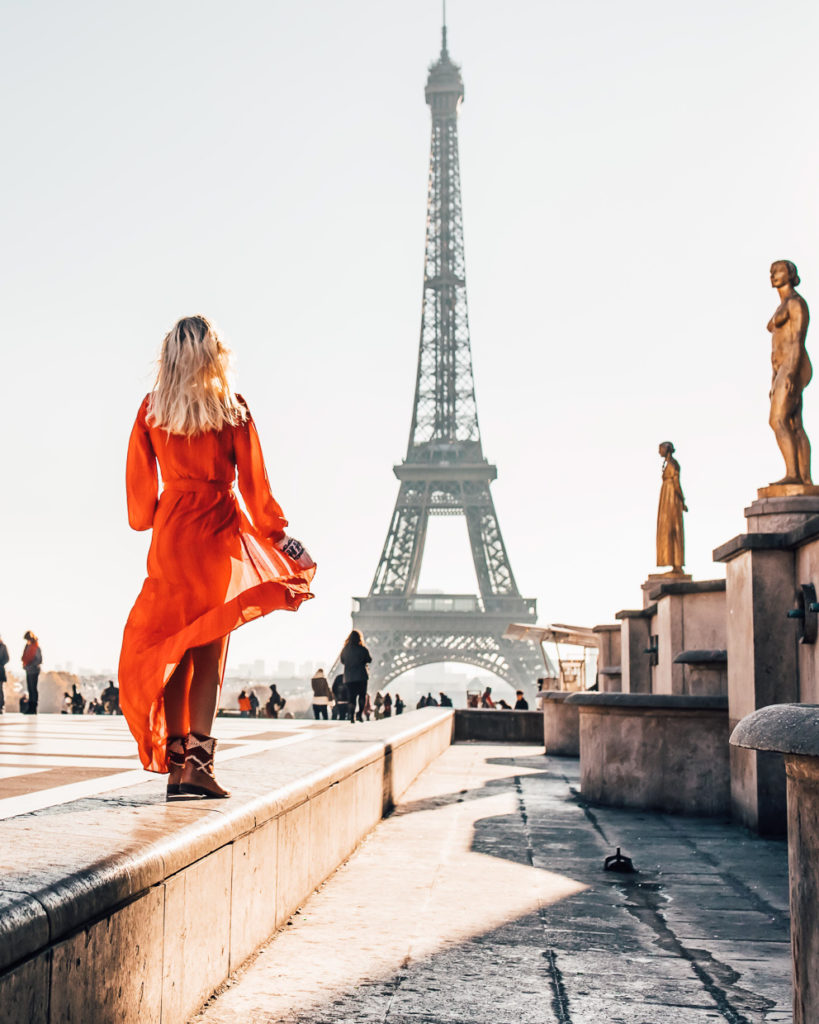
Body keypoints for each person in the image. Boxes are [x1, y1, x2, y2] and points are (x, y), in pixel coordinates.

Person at [118, 315, 315, 800]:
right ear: (215, 356)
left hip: (171, 536)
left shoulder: (151, 410)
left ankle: (176, 767)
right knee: (209, 652)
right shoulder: (232, 409)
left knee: (173, 649)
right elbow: (255, 486)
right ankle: (199, 769)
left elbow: (140, 508)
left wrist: (158, 510)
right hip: (216, 533)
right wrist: (281, 537)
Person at [767, 260, 812, 484]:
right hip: (782, 367)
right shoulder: (782, 305)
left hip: (792, 365)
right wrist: (774, 378)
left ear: (790, 274)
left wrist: (792, 373)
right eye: (771, 271)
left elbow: (797, 340)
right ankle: (804, 477)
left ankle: (794, 474)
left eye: (778, 270)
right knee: (794, 423)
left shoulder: (796, 303)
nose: (773, 274)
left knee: (777, 420)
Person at [656, 442, 687, 574]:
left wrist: (682, 500)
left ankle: (677, 564)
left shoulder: (673, 464)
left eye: (661, 449)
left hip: (672, 499)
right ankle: (672, 562)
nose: (659, 452)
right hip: (666, 498)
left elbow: (676, 484)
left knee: (674, 528)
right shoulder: (667, 464)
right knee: (667, 529)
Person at [340, 630, 371, 723]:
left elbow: (342, 661)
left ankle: (351, 716)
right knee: (362, 696)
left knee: (351, 698)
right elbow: (369, 659)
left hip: (349, 677)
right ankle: (360, 714)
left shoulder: (345, 649)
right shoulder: (362, 649)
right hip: (361, 676)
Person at [22, 631, 42, 715]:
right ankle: (30, 707)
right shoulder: (27, 647)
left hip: (34, 670)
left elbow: (39, 659)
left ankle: (34, 707)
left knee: (33, 688)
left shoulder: (36, 647)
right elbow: (24, 656)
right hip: (28, 670)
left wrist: (31, 664)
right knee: (30, 688)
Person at [0, 635, 8, 714]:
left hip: (0, 670)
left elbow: (7, 658)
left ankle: (1, 706)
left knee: (0, 689)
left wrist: (1, 663)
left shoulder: (3, 647)